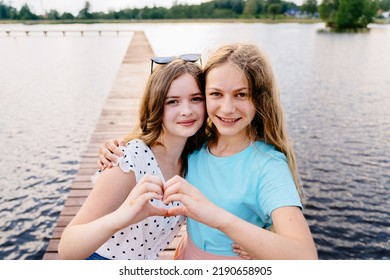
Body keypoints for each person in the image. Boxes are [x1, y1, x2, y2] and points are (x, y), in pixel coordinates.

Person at [98, 43, 318, 260]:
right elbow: (160, 142)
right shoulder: (194, 146)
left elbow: (306, 257)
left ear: (260, 99)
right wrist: (121, 145)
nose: (227, 108)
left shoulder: (269, 165)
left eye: (241, 94)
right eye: (215, 94)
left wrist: (223, 221)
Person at [58, 57, 207, 260]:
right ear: (156, 105)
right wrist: (123, 216)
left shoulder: (196, 160)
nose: (187, 110)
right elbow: (66, 248)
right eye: (173, 101)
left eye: (196, 99)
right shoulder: (129, 161)